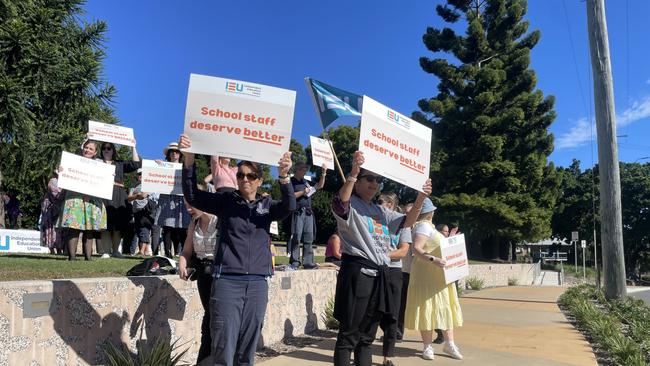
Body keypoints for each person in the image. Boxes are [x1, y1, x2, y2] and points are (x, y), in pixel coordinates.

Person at [179, 133, 295, 366]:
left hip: (257, 283)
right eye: (240, 175)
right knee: (224, 346)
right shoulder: (226, 201)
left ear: (260, 180)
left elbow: (289, 206)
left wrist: (284, 177)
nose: (245, 179)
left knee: (247, 349)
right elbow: (192, 195)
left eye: (251, 176)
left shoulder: (267, 206)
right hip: (227, 282)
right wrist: (189, 160)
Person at [331, 151, 431, 366]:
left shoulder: (379, 210)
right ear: (358, 182)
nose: (374, 184)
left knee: (366, 338)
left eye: (378, 180)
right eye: (369, 178)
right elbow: (340, 204)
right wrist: (352, 175)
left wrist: (421, 196)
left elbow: (407, 222)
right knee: (349, 335)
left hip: (381, 276)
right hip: (358, 273)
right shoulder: (350, 203)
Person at [405, 199, 463, 360]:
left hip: (437, 276)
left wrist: (449, 240)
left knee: (442, 308)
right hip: (429, 276)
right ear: (430, 212)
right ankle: (429, 346)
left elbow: (436, 247)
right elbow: (416, 249)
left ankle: (447, 344)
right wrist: (434, 260)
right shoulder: (423, 225)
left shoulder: (427, 227)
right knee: (430, 308)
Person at [178, 200, 218, 365]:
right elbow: (186, 251)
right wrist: (182, 264)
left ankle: (207, 359)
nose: (188, 209)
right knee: (209, 316)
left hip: (221, 274)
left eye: (191, 205)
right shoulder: (194, 224)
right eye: (186, 205)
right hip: (203, 274)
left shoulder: (220, 221)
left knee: (212, 318)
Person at [57, 139, 107, 261]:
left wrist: (109, 177)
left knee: (89, 230)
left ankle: (88, 257)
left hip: (92, 200)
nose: (87, 150)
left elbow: (103, 181)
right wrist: (62, 171)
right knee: (74, 228)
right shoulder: (73, 161)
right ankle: (72, 257)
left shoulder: (100, 165)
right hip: (75, 199)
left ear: (95, 152)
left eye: (91, 149)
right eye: (86, 147)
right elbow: (65, 175)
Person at [377, 196, 410, 366]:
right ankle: (362, 350)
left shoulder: (402, 223)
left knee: (392, 314)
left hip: (394, 270)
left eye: (387, 202)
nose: (382, 205)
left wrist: (382, 255)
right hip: (374, 269)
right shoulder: (372, 220)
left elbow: (403, 250)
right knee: (370, 312)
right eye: (380, 201)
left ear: (393, 205)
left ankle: (387, 356)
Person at [98, 142, 141, 258]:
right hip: (103, 195)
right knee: (105, 225)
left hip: (119, 195)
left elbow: (136, 164)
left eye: (109, 148)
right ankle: (106, 251)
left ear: (113, 151)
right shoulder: (96, 163)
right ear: (101, 151)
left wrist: (133, 146)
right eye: (104, 148)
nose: (106, 150)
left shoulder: (120, 164)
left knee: (118, 226)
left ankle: (116, 251)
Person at [286, 162, 326, 269]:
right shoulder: (291, 181)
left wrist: (323, 173)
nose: (305, 171)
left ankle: (308, 262)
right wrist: (302, 192)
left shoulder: (306, 182)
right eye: (303, 169)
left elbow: (319, 185)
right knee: (296, 237)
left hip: (308, 213)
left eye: (305, 169)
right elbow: (289, 196)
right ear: (297, 170)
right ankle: (294, 262)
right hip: (297, 212)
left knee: (309, 237)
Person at [157, 142, 190, 258]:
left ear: (180, 154)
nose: (174, 153)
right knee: (167, 227)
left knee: (182, 228)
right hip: (167, 199)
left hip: (181, 200)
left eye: (176, 151)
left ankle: (185, 254)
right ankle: (167, 254)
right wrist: (157, 166)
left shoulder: (185, 167)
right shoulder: (163, 165)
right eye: (171, 152)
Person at [128, 169, 158, 256]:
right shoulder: (134, 186)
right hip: (137, 211)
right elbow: (129, 198)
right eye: (139, 174)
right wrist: (137, 195)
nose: (140, 175)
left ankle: (145, 251)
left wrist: (144, 194)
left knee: (150, 231)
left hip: (150, 211)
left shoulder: (152, 184)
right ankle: (143, 251)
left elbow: (154, 196)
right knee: (141, 231)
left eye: (142, 174)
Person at [40, 172, 63, 254]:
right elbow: (55, 193)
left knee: (58, 229)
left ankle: (59, 248)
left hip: (58, 207)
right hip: (51, 208)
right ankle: (52, 249)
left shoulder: (63, 181)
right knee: (51, 228)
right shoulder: (53, 180)